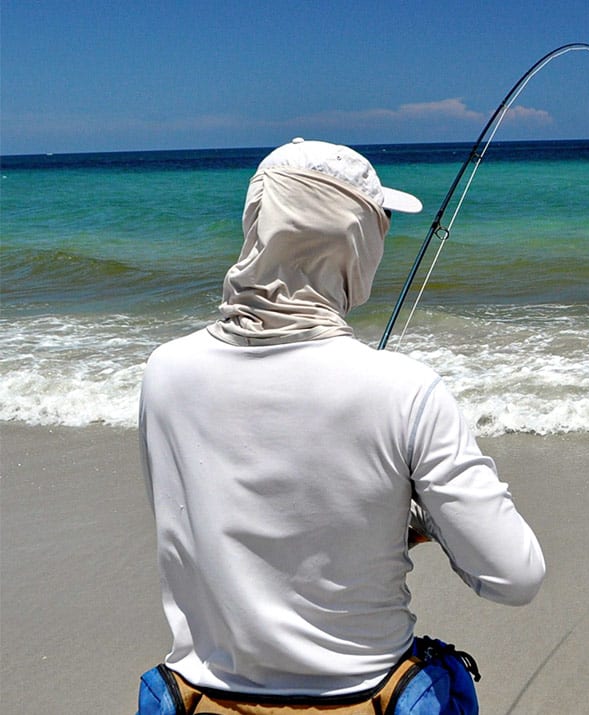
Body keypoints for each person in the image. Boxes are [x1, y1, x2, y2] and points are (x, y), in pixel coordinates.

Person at [137, 138, 545, 710]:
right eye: (380, 226)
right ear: (355, 244)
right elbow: (515, 575)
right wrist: (418, 518)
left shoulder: (164, 375)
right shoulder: (405, 390)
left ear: (256, 224)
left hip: (203, 703)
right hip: (367, 699)